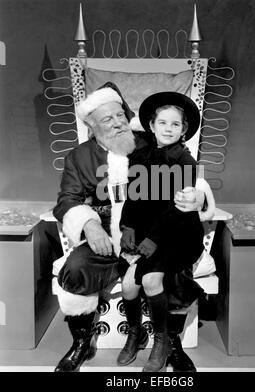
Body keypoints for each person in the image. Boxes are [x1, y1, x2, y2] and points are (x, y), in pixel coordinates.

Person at [52, 82, 210, 372]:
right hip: (107, 237)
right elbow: (66, 201)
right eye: (106, 119)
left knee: (171, 271)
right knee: (76, 267)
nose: (115, 123)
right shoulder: (79, 157)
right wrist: (88, 224)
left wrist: (199, 195)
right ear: (91, 125)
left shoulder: (149, 143)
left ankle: (170, 342)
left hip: (153, 234)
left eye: (119, 116)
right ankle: (82, 341)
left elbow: (188, 177)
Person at [116, 92, 216, 372]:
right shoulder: (140, 155)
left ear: (183, 129)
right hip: (149, 232)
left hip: (178, 234)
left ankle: (162, 341)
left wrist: (152, 239)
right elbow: (134, 198)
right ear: (151, 125)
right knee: (127, 285)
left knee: (150, 281)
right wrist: (128, 227)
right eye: (162, 123)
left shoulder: (185, 161)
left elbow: (176, 210)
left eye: (175, 124)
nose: (168, 129)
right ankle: (136, 335)